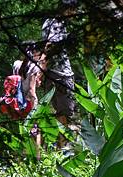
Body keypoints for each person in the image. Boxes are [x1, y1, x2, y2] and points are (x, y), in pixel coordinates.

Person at [42, 0, 78, 145]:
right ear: (67, 9)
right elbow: (51, 44)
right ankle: (63, 147)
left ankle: (59, 146)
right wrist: (43, 63)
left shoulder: (47, 22)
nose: (75, 14)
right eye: (73, 10)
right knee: (66, 113)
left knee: (57, 112)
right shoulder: (58, 23)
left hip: (51, 73)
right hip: (62, 74)